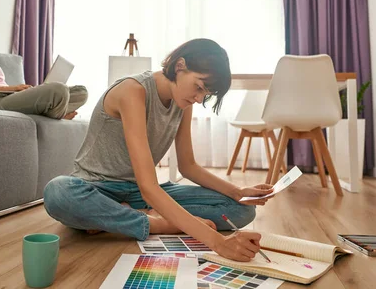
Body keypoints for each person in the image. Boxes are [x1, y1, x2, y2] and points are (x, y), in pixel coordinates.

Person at [43, 38, 274, 262]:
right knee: (58, 193)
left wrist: (237, 191)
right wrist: (218, 243)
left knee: (242, 210)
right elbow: (149, 187)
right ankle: (155, 223)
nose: (198, 98)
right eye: (199, 87)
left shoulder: (184, 103)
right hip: (95, 188)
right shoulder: (133, 91)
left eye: (205, 94)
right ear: (180, 65)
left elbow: (188, 166)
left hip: (136, 194)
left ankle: (117, 219)